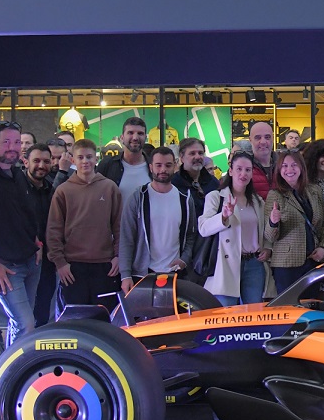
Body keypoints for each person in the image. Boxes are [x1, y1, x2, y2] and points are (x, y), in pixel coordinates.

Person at [0, 121, 41, 350]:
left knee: (22, 323)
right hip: (5, 266)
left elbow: (27, 213)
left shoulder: (17, 174)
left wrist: (36, 243)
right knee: (25, 323)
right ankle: (16, 369)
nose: (13, 147)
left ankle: (15, 365)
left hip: (30, 259)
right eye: (7, 142)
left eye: (17, 142)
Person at [48, 139, 122, 312]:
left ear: (96, 159)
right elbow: (53, 229)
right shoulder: (63, 191)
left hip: (105, 265)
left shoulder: (109, 187)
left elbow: (119, 226)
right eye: (80, 157)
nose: (85, 161)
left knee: (105, 317)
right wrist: (60, 263)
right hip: (73, 267)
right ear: (73, 160)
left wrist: (118, 256)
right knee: (74, 318)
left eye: (89, 157)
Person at [119, 147, 199, 295]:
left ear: (175, 166)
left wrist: (184, 259)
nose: (163, 170)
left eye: (168, 165)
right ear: (151, 167)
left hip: (175, 274)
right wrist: (125, 275)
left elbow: (191, 235)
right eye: (158, 165)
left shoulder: (185, 199)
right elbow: (126, 237)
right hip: (143, 274)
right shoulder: (138, 197)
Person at [198, 151, 268, 307]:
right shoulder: (216, 197)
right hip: (226, 265)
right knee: (226, 314)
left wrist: (267, 248)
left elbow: (264, 230)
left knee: (254, 313)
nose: (243, 174)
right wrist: (223, 216)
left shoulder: (257, 201)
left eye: (248, 170)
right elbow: (203, 228)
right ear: (230, 171)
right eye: (239, 169)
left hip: (254, 263)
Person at [262, 150, 324, 291]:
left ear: (301, 167)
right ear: (279, 170)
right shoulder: (275, 195)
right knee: (290, 304)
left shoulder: (315, 191)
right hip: (287, 266)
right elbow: (270, 236)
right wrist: (273, 222)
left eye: (294, 165)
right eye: (284, 166)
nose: (289, 169)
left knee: (312, 303)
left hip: (313, 262)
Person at [20, 144, 58, 326]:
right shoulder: (16, 188)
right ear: (25, 161)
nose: (41, 165)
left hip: (48, 260)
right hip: (23, 258)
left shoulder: (51, 189)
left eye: (46, 161)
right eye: (36, 161)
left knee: (43, 307)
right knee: (22, 315)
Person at [95, 115, 151, 199]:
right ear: (122, 138)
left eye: (140, 133)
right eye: (130, 133)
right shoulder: (107, 165)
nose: (135, 138)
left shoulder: (154, 167)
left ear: (145, 138)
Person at [245, 120, 278, 199]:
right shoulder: (243, 168)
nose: (263, 142)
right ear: (250, 140)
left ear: (273, 139)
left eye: (267, 137)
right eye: (258, 138)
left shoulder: (283, 166)